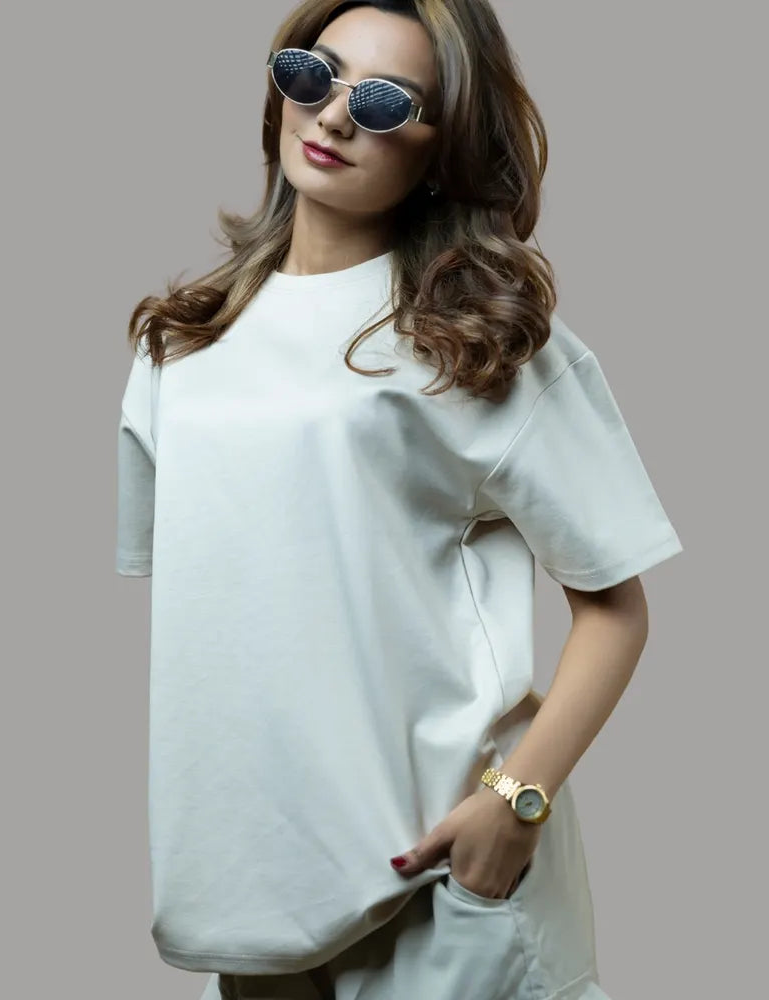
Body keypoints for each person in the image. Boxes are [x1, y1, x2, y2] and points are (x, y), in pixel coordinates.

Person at [115, 1, 683, 998]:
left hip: (442, 881)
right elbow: (222, 634)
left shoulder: (477, 341)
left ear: (440, 149)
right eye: (311, 75)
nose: (333, 115)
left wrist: (515, 800)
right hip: (251, 900)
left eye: (383, 102)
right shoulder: (181, 346)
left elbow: (614, 608)